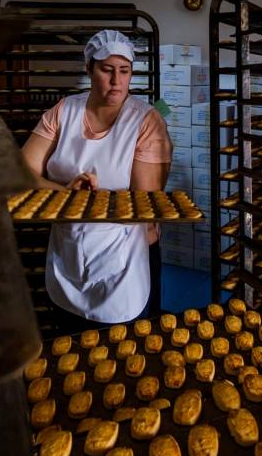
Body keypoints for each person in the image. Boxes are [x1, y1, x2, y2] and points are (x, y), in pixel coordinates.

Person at [22, 29, 172, 333]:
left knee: (126, 351)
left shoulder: (145, 121)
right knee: (69, 343)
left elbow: (145, 205)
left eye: (124, 71)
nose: (117, 81)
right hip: (68, 252)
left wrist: (92, 199)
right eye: (107, 70)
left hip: (124, 260)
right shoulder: (64, 111)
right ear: (89, 68)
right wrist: (66, 193)